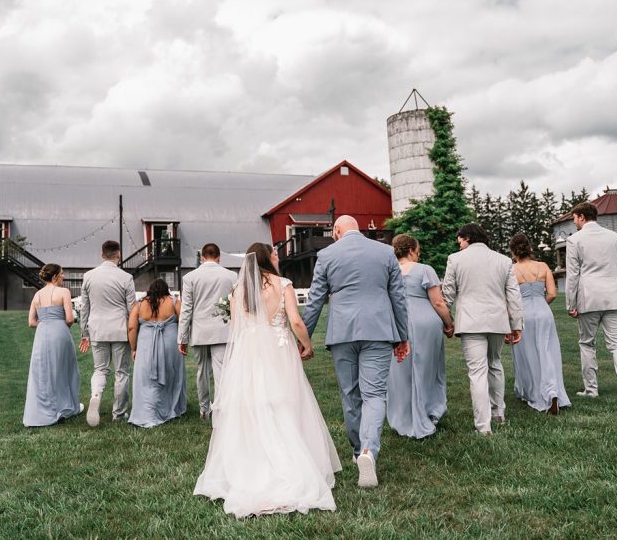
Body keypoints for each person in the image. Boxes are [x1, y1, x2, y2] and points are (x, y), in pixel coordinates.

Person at [195, 244, 341, 518]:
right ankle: (288, 467)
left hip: (249, 356)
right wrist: (307, 345)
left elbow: (237, 328)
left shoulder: (238, 290)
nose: (277, 257)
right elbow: (296, 321)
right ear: (266, 257)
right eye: (274, 254)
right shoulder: (282, 284)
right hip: (279, 351)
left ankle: (253, 465)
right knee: (284, 404)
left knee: (254, 407)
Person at [302, 215, 409, 488]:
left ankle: (356, 450)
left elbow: (314, 300)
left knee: (350, 394)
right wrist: (403, 335)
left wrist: (304, 338)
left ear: (337, 231)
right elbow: (398, 297)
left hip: (342, 333)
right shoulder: (386, 252)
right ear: (358, 229)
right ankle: (368, 452)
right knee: (374, 394)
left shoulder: (326, 255)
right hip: (379, 331)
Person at [441, 223, 523, 435]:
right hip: (497, 321)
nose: (458, 243)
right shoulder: (504, 260)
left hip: (470, 322)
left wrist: (446, 321)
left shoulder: (455, 259)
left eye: (459, 239)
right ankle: (499, 414)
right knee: (495, 364)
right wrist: (516, 325)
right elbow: (513, 296)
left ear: (467, 237)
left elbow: (448, 294)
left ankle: (483, 426)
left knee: (477, 371)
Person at [565, 202, 617, 406]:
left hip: (589, 298)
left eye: (574, 218)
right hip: (615, 296)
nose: (573, 221)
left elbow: (573, 274)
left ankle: (591, 389)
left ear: (582, 217)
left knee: (587, 343)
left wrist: (570, 303)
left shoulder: (574, 240)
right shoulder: (615, 238)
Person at [386, 234, 455, 439]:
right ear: (411, 250)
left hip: (396, 323)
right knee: (428, 368)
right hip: (425, 322)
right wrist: (449, 323)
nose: (419, 254)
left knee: (400, 372)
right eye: (418, 250)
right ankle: (429, 412)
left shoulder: (387, 271)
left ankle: (403, 417)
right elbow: (438, 303)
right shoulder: (425, 269)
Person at [508, 234, 571, 415]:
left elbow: (510, 298)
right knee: (547, 351)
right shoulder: (542, 266)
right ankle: (552, 391)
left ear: (513, 251)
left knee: (528, 355)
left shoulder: (511, 270)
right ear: (529, 248)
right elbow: (552, 293)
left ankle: (534, 392)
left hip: (523, 314)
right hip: (544, 312)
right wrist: (541, 303)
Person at [79, 240, 137, 426]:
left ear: (102, 254)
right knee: (121, 372)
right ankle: (118, 414)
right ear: (118, 255)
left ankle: (96, 395)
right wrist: (134, 333)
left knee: (100, 369)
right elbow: (132, 309)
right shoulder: (126, 277)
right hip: (120, 330)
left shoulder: (89, 276)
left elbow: (84, 308)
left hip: (97, 329)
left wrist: (84, 333)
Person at [177, 243, 238, 420]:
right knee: (220, 371)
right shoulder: (231, 275)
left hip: (200, 331)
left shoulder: (190, 277)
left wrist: (182, 338)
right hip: (223, 329)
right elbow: (233, 304)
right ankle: (220, 410)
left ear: (202, 258)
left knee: (201, 371)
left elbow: (186, 309)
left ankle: (204, 409)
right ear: (219, 257)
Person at [23, 263, 83, 426]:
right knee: (63, 368)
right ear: (55, 276)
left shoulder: (37, 295)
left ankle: (44, 409)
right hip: (60, 333)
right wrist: (59, 324)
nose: (64, 276)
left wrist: (46, 323)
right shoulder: (64, 292)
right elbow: (70, 319)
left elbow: (31, 322)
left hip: (42, 334)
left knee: (42, 371)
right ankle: (65, 406)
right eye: (62, 274)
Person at [128, 278, 186, 428]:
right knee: (172, 375)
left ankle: (147, 412)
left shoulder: (140, 304)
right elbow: (184, 322)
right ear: (166, 289)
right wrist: (184, 342)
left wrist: (133, 348)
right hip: (170, 345)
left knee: (146, 379)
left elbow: (132, 328)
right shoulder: (173, 302)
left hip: (146, 346)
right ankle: (171, 408)